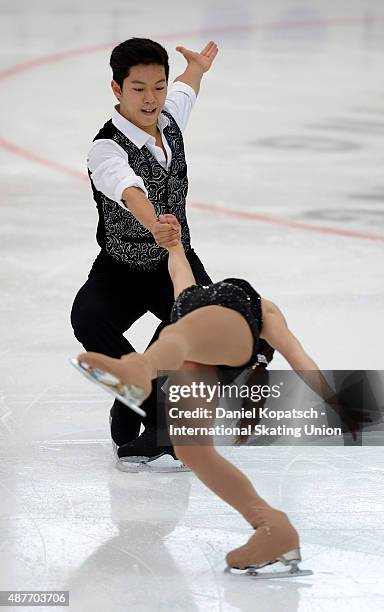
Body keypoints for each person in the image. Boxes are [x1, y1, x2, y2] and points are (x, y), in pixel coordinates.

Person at [74, 233, 370, 574]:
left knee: (180, 334)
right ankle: (273, 528)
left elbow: (299, 358)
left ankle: (138, 372)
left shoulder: (263, 312)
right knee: (192, 450)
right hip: (193, 341)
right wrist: (174, 246)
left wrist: (337, 403)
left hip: (225, 331)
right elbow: (180, 270)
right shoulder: (191, 303)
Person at [71, 37, 228, 469]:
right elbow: (126, 187)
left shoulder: (169, 115)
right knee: (88, 319)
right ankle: (140, 399)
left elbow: (186, 88)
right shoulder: (105, 148)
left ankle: (149, 410)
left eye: (157, 87)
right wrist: (155, 222)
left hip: (172, 262)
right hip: (120, 264)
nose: (151, 98)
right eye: (138, 88)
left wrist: (196, 68)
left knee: (198, 323)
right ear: (117, 89)